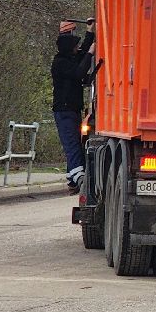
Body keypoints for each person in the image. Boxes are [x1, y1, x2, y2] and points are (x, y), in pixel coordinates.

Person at [51, 20, 95, 194]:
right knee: (73, 145)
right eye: (74, 46)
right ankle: (79, 178)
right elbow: (79, 72)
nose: (77, 49)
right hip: (64, 111)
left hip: (71, 110)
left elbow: (82, 52)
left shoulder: (68, 58)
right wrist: (91, 54)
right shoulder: (60, 63)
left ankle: (72, 179)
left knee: (75, 143)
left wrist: (90, 32)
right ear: (69, 48)